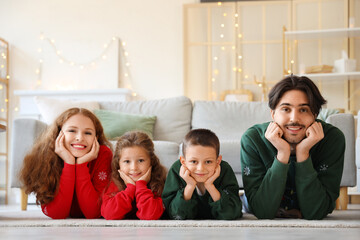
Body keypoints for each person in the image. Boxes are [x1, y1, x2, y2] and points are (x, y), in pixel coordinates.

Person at [240, 75, 345, 220]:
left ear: (315, 114)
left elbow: (316, 212)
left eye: (303, 110)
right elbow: (262, 211)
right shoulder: (253, 139)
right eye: (285, 109)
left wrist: (303, 153)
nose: (294, 119)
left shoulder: (332, 139)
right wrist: (283, 153)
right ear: (273, 113)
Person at [20, 108, 113, 219]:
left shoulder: (103, 154)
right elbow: (57, 214)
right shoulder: (47, 156)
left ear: (95, 138)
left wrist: (81, 165)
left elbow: (94, 213)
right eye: (72, 131)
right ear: (59, 133)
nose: (80, 138)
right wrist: (69, 163)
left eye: (88, 133)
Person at [162, 128, 242, 220]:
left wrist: (210, 186)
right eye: (194, 161)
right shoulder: (176, 170)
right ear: (183, 162)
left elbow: (230, 214)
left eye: (208, 162)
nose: (200, 168)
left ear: (218, 161)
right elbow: (176, 215)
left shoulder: (224, 170)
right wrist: (190, 186)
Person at [101, 131, 167, 220]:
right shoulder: (115, 181)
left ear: (151, 161)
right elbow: (109, 214)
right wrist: (130, 188)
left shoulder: (158, 182)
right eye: (127, 161)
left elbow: (150, 216)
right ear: (118, 163)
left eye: (140, 160)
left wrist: (141, 185)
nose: (134, 168)